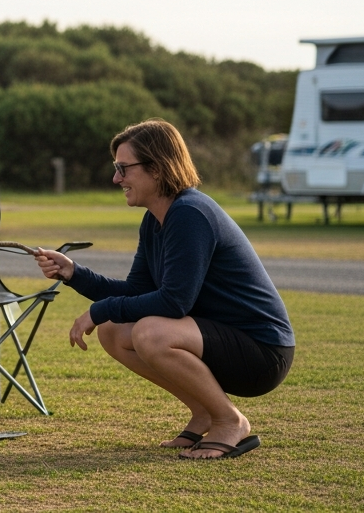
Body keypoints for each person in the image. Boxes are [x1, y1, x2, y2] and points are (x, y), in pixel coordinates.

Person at [33, 119, 294, 460]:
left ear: (156, 169)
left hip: (262, 352)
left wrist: (98, 311)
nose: (116, 179)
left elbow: (173, 302)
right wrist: (73, 273)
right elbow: (136, 290)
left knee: (150, 333)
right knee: (114, 331)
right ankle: (204, 411)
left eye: (123, 168)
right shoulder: (156, 219)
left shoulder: (190, 214)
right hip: (221, 340)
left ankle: (231, 422)